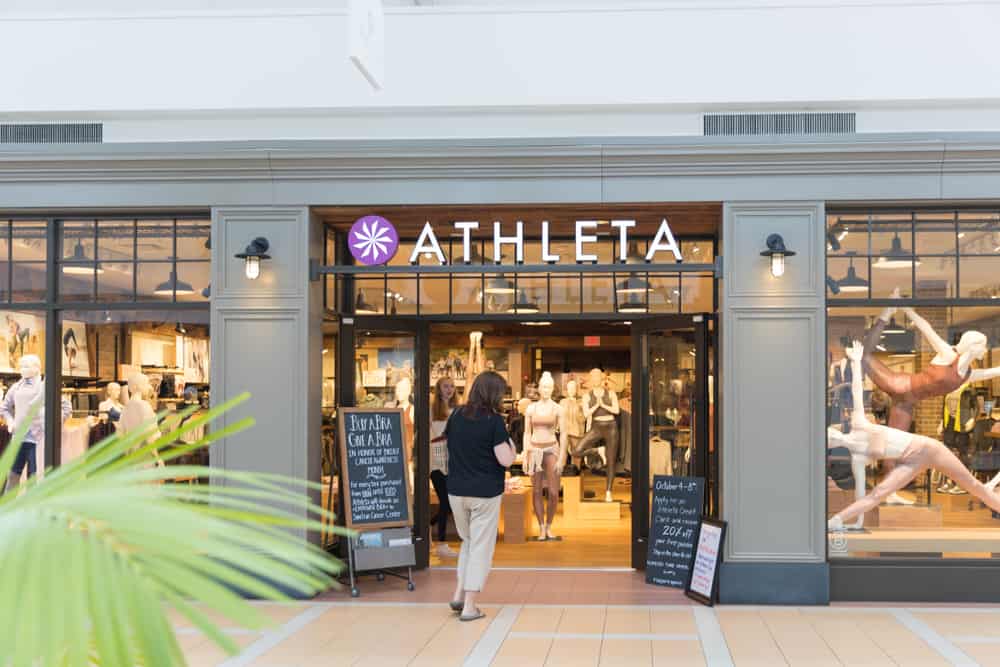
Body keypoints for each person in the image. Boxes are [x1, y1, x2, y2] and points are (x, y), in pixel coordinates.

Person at [828, 341, 1000, 530]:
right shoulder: (858, 458)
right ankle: (834, 521)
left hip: (929, 450)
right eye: (830, 440)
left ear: (834, 431)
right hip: (911, 462)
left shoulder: (858, 423)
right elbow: (863, 496)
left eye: (831, 434)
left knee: (976, 487)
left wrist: (856, 361)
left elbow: (856, 391)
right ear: (832, 446)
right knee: (877, 493)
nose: (833, 437)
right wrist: (856, 523)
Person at [445, 370, 515, 622]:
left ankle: (459, 593)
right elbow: (505, 459)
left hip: (456, 490)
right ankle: (470, 606)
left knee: (468, 542)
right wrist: (513, 448)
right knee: (481, 548)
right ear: (494, 394)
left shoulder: (455, 415)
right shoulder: (493, 421)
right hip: (484, 493)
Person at [430, 377, 459, 559]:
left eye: (451, 386)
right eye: (445, 386)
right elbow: (428, 436)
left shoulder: (458, 410)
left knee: (451, 504)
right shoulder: (432, 411)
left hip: (454, 462)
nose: (449, 389)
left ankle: (426, 525)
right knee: (445, 502)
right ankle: (441, 544)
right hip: (436, 462)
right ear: (438, 389)